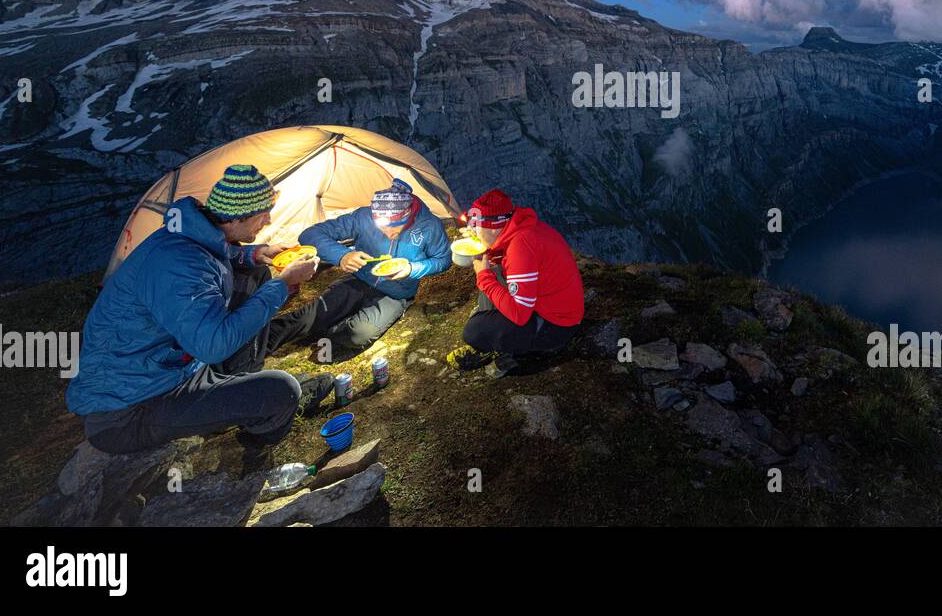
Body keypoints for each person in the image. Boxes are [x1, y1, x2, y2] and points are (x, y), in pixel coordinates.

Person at [67, 164, 323, 455]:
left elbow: (214, 254)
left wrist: (254, 254)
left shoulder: (188, 237)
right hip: (130, 409)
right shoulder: (179, 266)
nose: (267, 220)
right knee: (282, 391)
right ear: (235, 218)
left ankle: (237, 381)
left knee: (256, 275)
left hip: (166, 367)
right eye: (263, 213)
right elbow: (213, 345)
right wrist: (284, 284)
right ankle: (254, 432)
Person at [296, 177, 451, 353]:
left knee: (360, 333)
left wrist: (412, 269)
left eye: (393, 227)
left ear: (406, 219)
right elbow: (310, 235)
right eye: (381, 226)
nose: (387, 232)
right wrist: (342, 255)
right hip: (359, 278)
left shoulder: (430, 226)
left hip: (396, 293)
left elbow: (443, 260)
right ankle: (266, 336)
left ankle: (329, 336)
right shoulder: (364, 216)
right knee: (313, 314)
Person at [448, 189, 584, 377]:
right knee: (493, 273)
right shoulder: (520, 228)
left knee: (474, 331)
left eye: (477, 226)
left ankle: (530, 350)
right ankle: (501, 329)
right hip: (549, 302)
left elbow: (520, 314)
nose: (473, 231)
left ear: (494, 227)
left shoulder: (521, 247)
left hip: (556, 324)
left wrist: (484, 277)